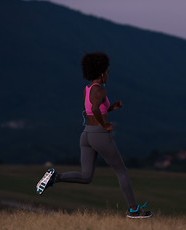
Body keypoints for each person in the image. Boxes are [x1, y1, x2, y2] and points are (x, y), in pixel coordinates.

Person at [36, 52, 152, 219]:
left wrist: (113, 107)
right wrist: (104, 125)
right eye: (107, 72)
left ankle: (55, 177)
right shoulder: (101, 91)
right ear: (101, 72)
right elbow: (96, 110)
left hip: (86, 135)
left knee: (86, 176)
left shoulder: (88, 89)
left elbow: (93, 109)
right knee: (121, 171)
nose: (108, 75)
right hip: (99, 135)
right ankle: (134, 210)